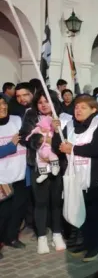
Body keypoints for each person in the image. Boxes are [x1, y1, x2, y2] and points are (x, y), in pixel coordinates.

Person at [54, 95, 98, 262]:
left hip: (92, 177)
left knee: (93, 213)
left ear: (93, 109)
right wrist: (57, 133)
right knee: (78, 209)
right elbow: (59, 146)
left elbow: (97, 149)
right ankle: (84, 242)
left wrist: (74, 149)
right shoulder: (69, 125)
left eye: (83, 107)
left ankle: (95, 245)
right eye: (76, 107)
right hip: (74, 175)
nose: (78, 110)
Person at [19, 89, 72, 254]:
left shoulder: (64, 118)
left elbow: (65, 143)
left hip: (59, 167)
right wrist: (44, 139)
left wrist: (56, 132)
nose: (43, 105)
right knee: (40, 203)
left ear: (54, 102)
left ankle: (57, 233)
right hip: (38, 167)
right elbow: (27, 138)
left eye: (46, 101)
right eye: (40, 102)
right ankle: (42, 236)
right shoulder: (31, 117)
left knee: (56, 202)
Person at [0, 95, 28, 250]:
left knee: (18, 210)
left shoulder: (17, 120)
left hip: (20, 174)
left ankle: (12, 237)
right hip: (2, 178)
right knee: (2, 213)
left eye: (4, 103)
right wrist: (10, 146)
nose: (2, 107)